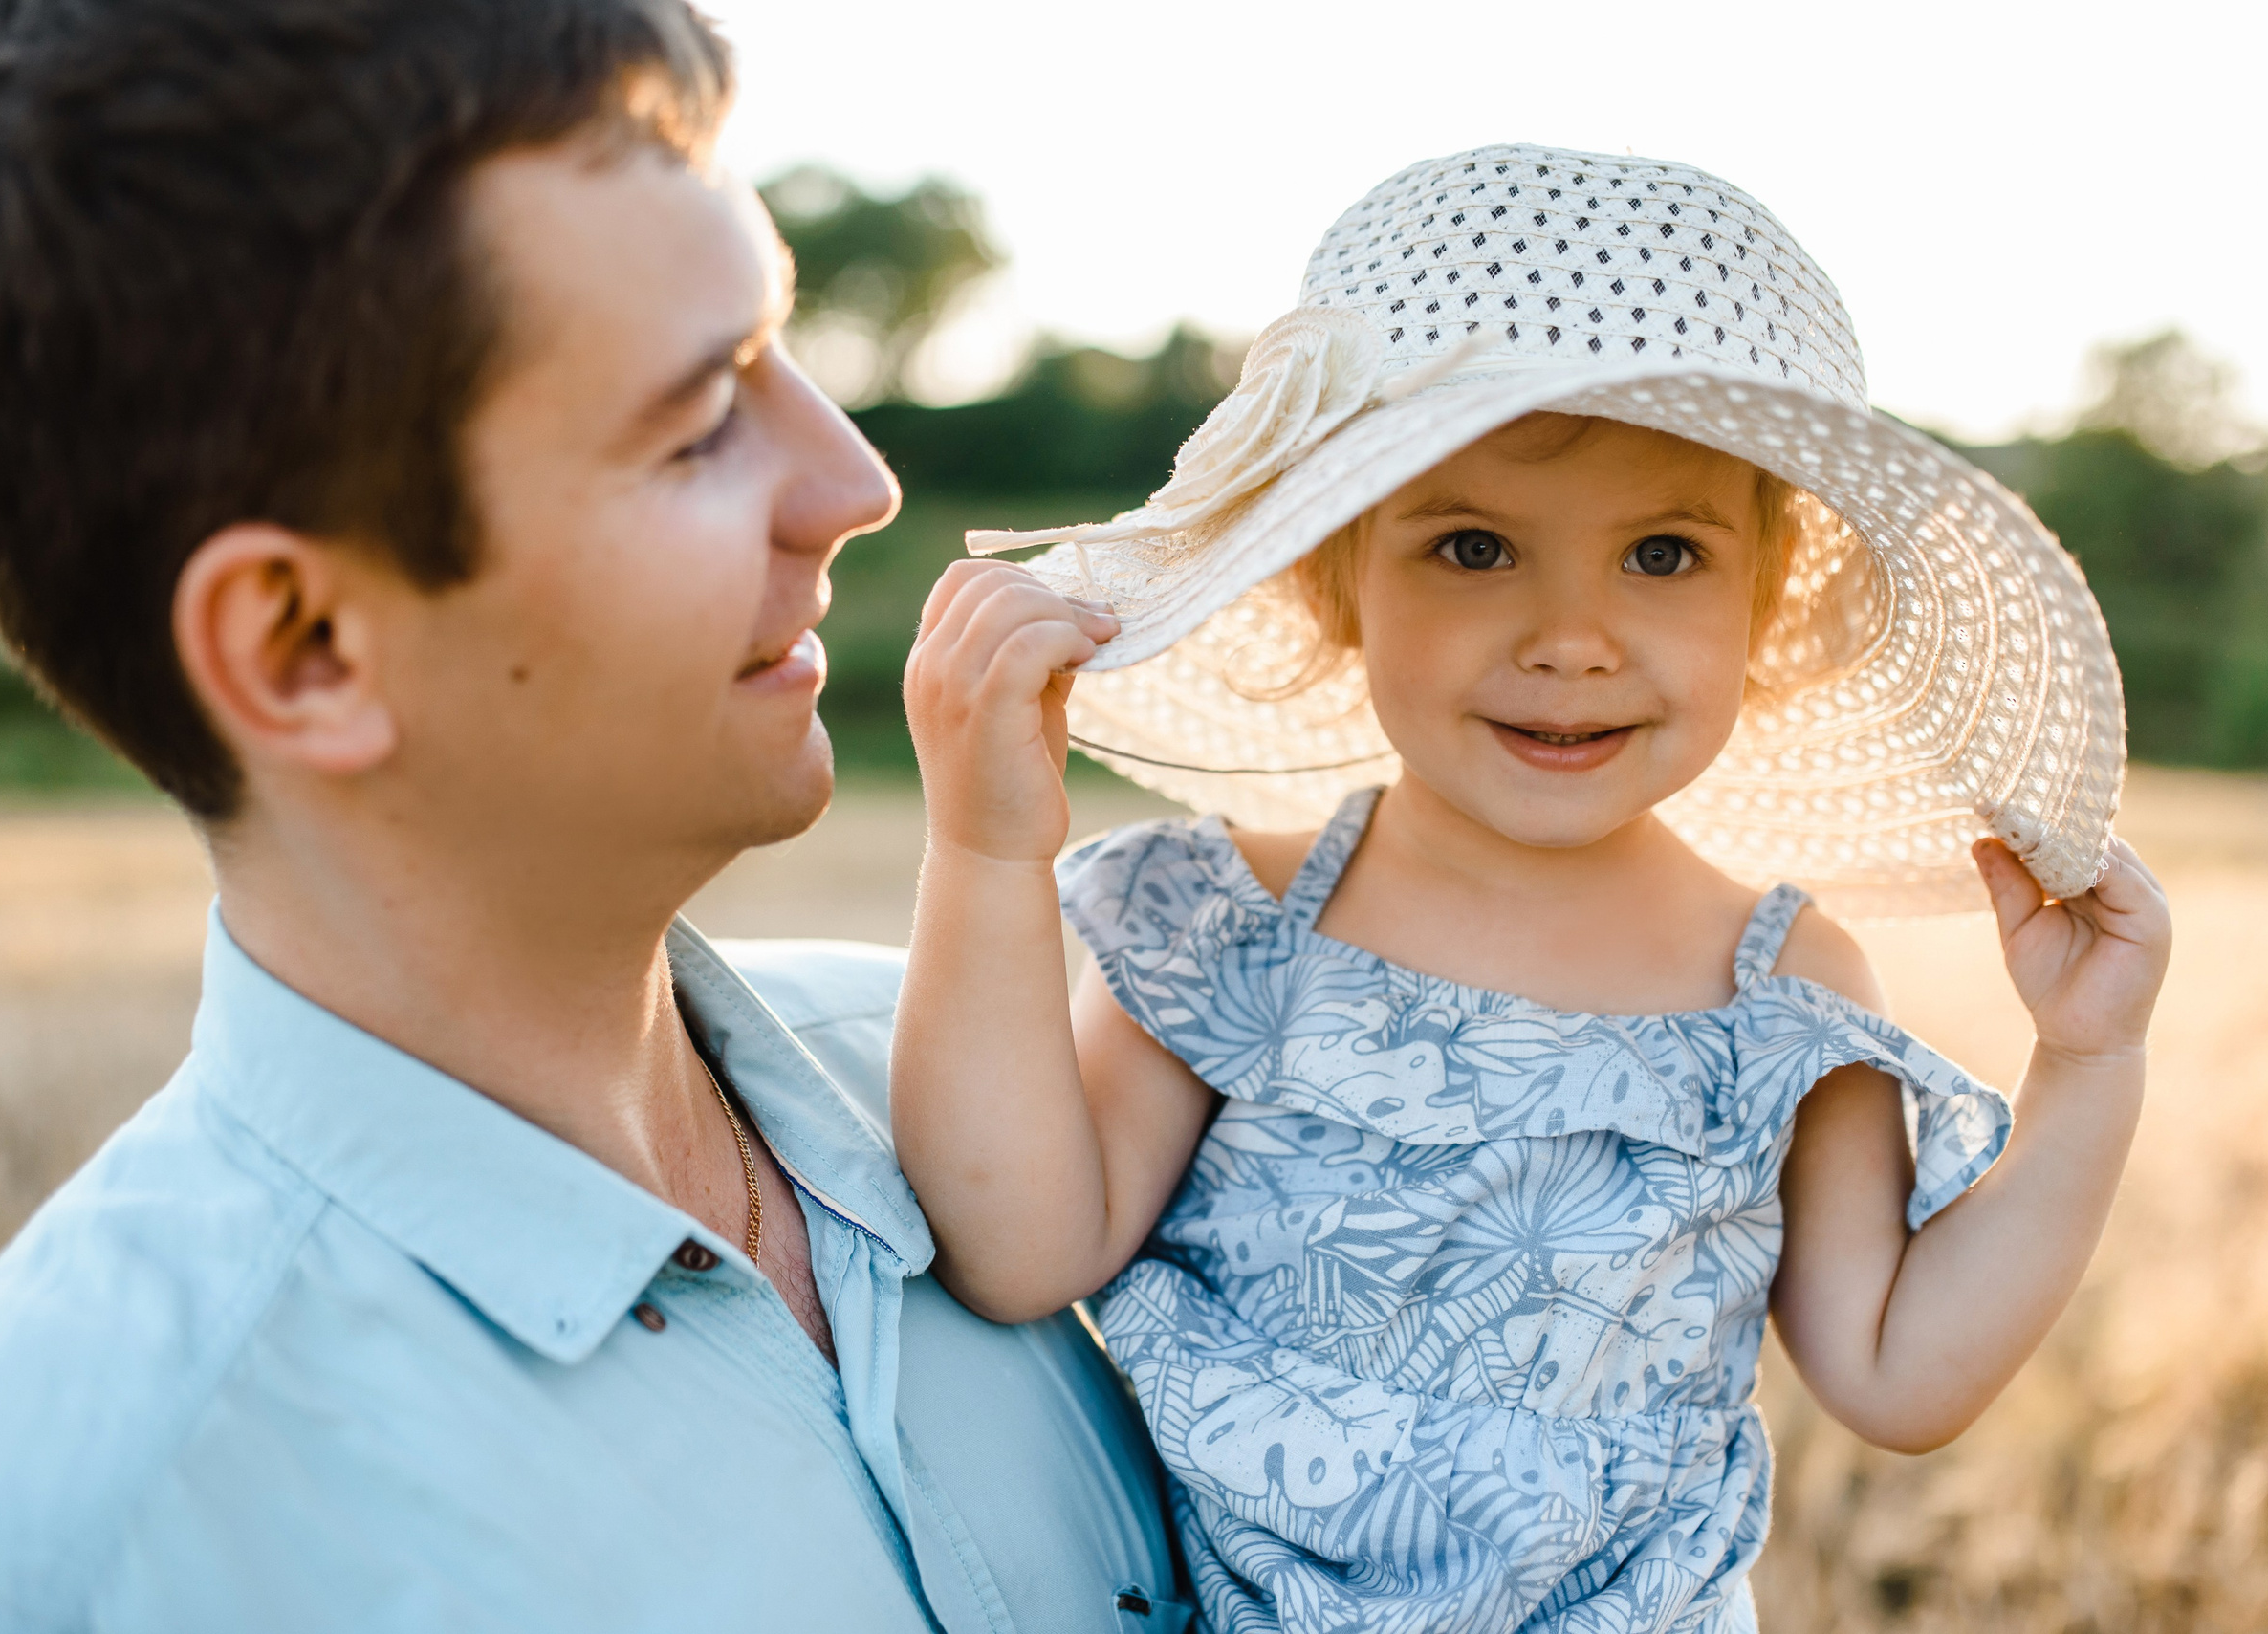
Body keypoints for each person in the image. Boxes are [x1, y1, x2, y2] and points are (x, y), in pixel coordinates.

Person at [0, 3, 1188, 1630]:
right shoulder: (47, 1556)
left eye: (788, 354)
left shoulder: (1006, 1099)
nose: (856, 483)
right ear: (305, 646)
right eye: (704, 416)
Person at [892, 144, 2174, 1632]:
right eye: (1476, 545)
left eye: (1664, 553)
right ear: (1333, 576)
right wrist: (988, 853)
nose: (1572, 635)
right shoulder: (1246, 921)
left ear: (1762, 608)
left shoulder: (1776, 986)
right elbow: (1020, 1242)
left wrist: (2091, 1063)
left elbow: (1896, 1369)